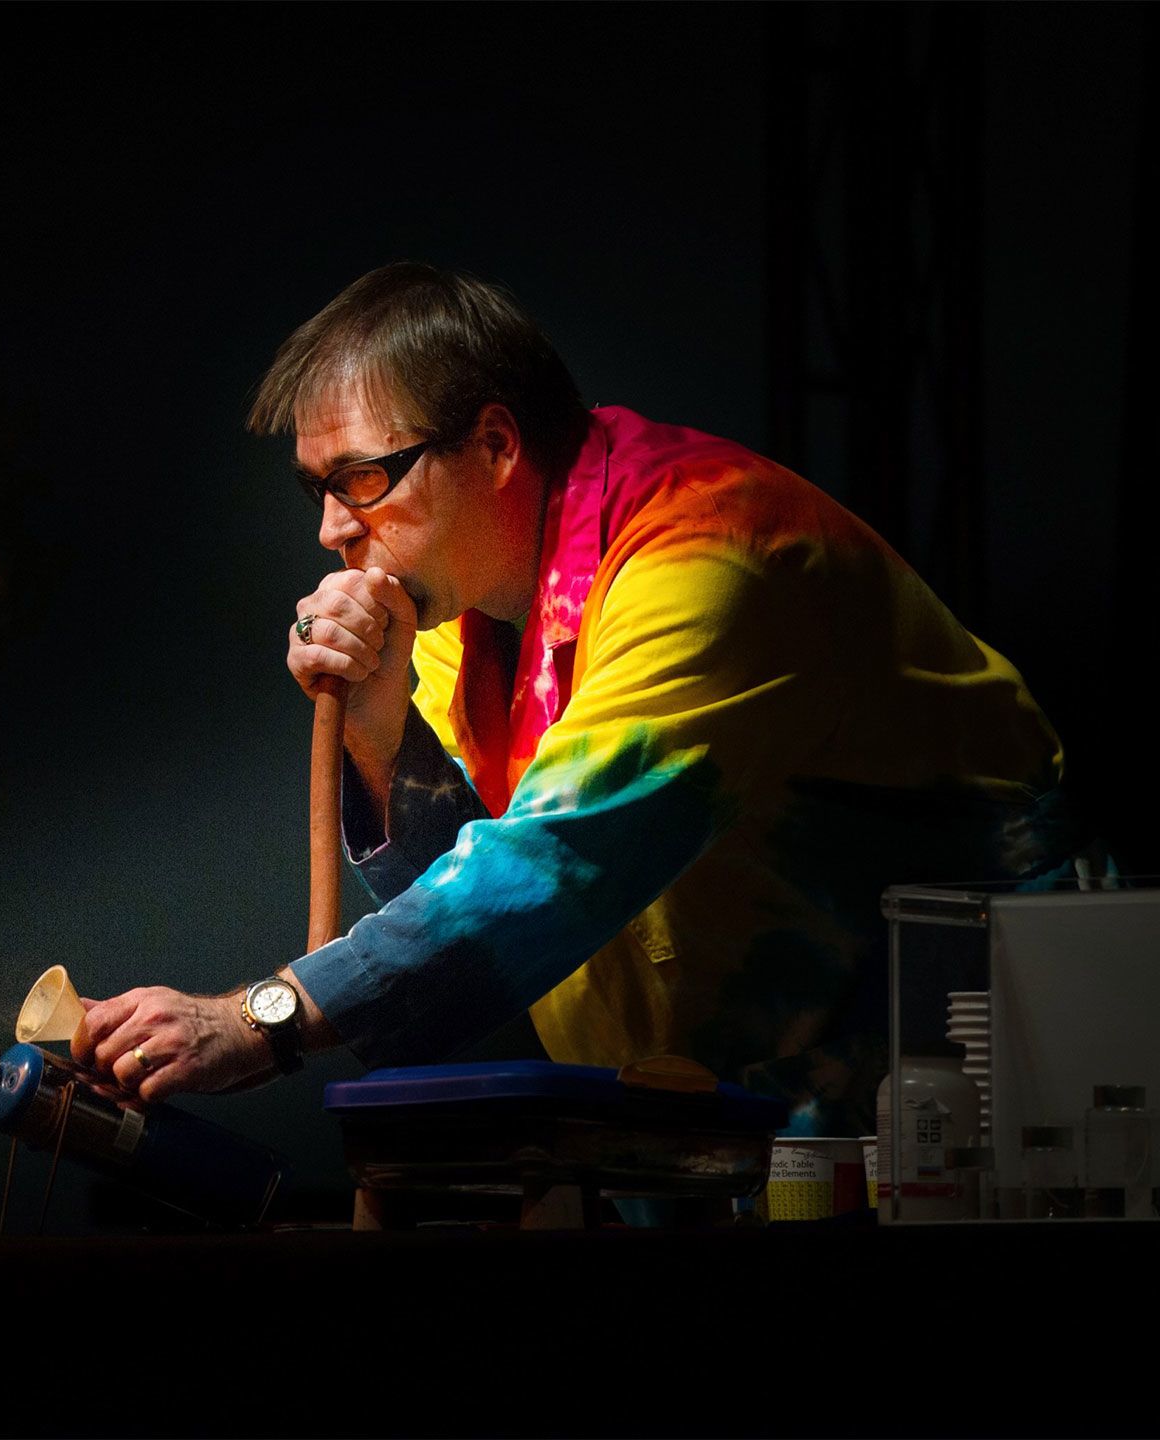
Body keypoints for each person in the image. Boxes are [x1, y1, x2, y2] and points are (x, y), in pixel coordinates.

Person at [76, 263, 1073, 1136]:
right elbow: (467, 926)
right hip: (733, 1132)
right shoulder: (446, 619)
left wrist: (256, 1020)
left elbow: (551, 874)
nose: (334, 530)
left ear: (498, 447)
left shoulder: (706, 554)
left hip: (981, 1090)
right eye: (316, 490)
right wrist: (380, 730)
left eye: (364, 477)